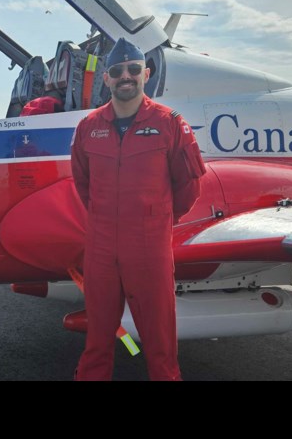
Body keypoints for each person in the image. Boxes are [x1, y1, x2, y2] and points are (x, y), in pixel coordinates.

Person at [70, 37, 206, 380]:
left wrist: (154, 220)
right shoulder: (88, 127)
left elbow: (188, 187)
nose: (125, 76)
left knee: (159, 343)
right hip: (100, 249)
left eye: (133, 69)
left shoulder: (170, 123)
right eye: (117, 71)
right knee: (98, 340)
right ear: (107, 79)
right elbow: (83, 184)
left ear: (146, 73)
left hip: (149, 248)